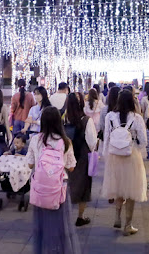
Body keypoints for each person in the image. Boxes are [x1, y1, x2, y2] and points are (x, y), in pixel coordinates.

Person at [27, 106, 81, 254]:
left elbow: (30, 163)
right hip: (58, 190)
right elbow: (71, 166)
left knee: (42, 226)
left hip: (40, 189)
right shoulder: (65, 142)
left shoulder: (35, 140)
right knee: (60, 226)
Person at [102, 89, 148, 236]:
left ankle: (117, 217)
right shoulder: (137, 118)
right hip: (131, 156)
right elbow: (144, 140)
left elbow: (106, 137)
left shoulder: (110, 116)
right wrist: (135, 148)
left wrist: (106, 154)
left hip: (114, 156)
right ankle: (128, 225)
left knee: (118, 187)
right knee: (131, 191)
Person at [64, 93, 98, 227]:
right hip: (82, 156)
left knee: (66, 184)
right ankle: (80, 216)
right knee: (83, 185)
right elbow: (92, 142)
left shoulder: (63, 119)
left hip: (65, 156)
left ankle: (64, 214)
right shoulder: (86, 120)